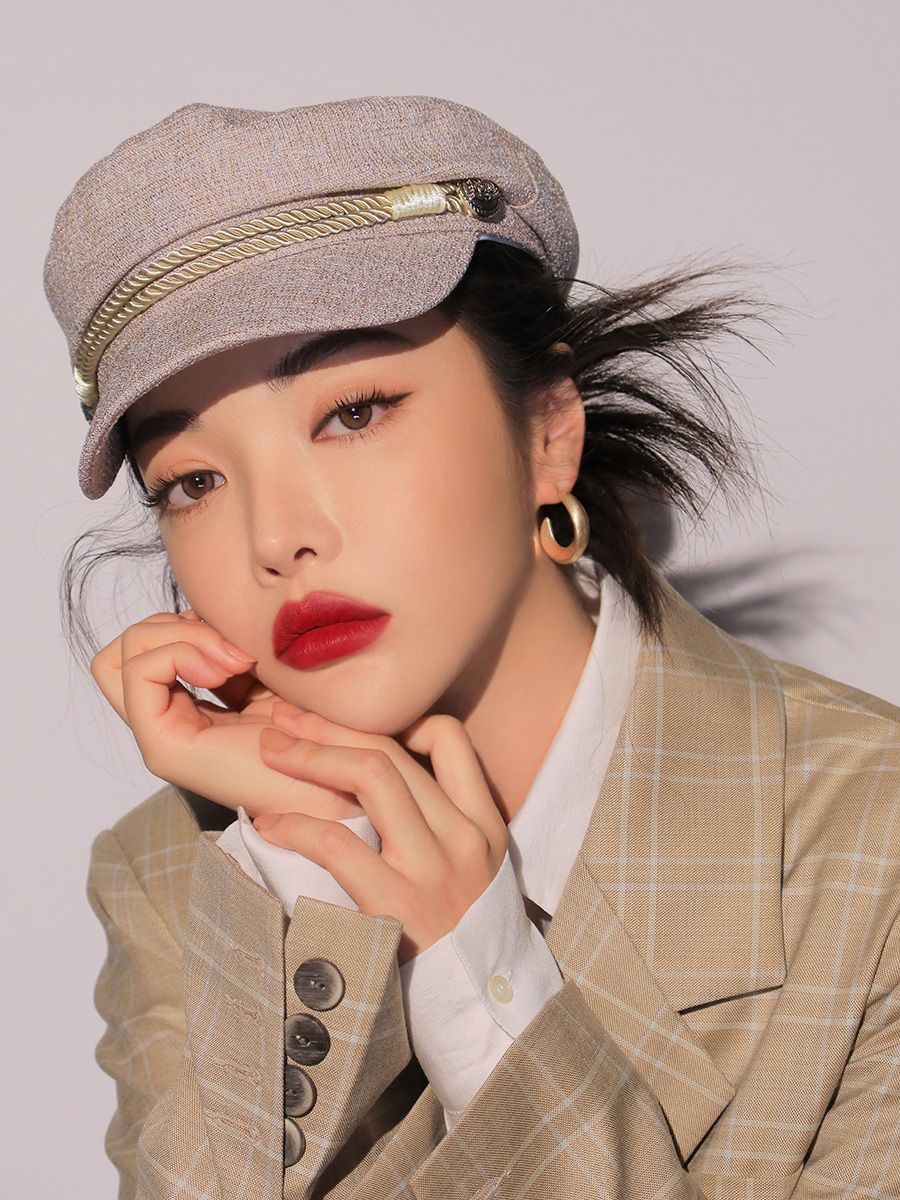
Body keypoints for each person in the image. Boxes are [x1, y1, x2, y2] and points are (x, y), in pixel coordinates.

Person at [43, 95, 900, 1200]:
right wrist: (317, 865)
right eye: (193, 480)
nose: (275, 537)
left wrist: (478, 980)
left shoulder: (869, 851)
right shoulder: (179, 873)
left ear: (547, 432)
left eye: (354, 412)